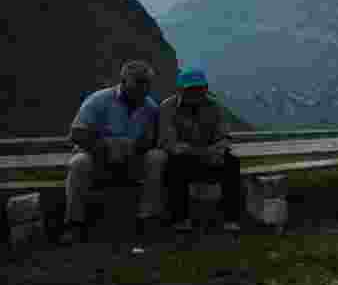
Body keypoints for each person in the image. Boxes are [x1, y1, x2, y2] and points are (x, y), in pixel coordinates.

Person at [63, 60, 166, 243]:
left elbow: (153, 140)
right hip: (97, 159)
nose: (143, 88)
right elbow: (76, 133)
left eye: (147, 83)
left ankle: (148, 218)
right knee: (78, 163)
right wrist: (107, 148)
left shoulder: (150, 108)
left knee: (156, 158)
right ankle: (74, 224)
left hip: (132, 161)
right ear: (123, 81)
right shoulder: (98, 100)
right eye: (138, 83)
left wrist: (133, 148)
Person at [160, 67, 241, 233]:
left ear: (206, 88)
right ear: (180, 89)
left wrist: (217, 149)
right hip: (185, 157)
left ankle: (231, 218)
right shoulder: (168, 107)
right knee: (175, 164)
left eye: (199, 89)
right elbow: (169, 141)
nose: (195, 93)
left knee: (232, 163)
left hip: (209, 154)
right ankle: (180, 218)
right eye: (190, 89)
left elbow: (224, 136)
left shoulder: (216, 106)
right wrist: (203, 151)